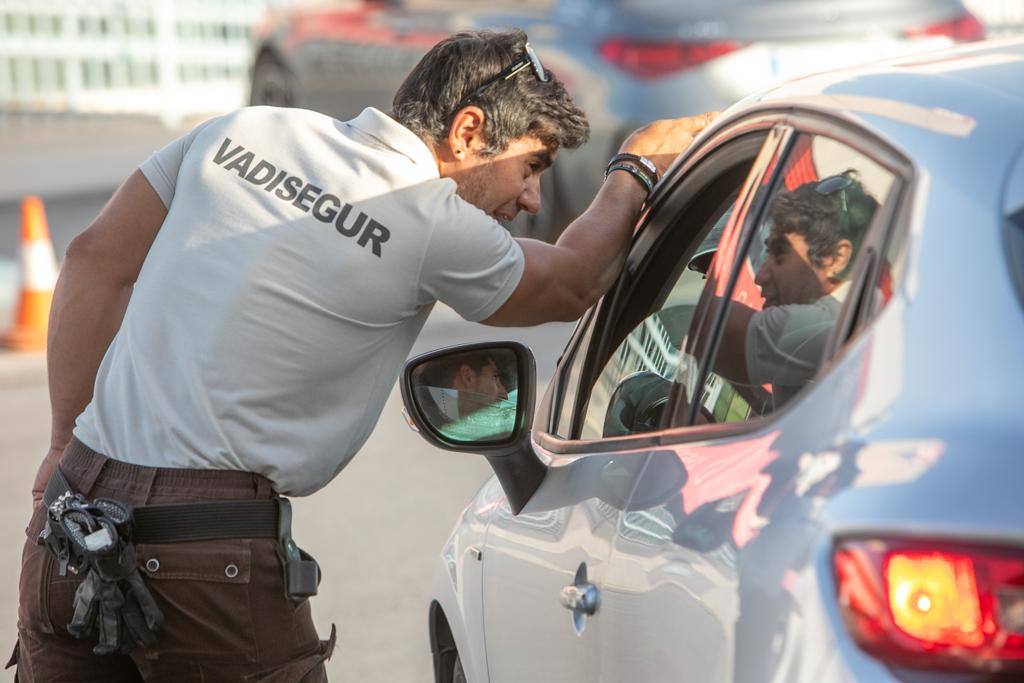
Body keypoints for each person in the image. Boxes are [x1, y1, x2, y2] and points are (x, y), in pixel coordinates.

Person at [13, 28, 716, 680]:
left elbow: (93, 259)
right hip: (212, 561)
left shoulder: (244, 128)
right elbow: (571, 281)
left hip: (70, 527)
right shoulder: (424, 214)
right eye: (530, 165)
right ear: (468, 131)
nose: (532, 198)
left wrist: (60, 449)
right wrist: (635, 168)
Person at [712, 172, 879, 410]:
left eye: (779, 254)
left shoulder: (830, 325)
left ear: (836, 258)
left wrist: (641, 174)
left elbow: (709, 329)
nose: (761, 276)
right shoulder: (869, 308)